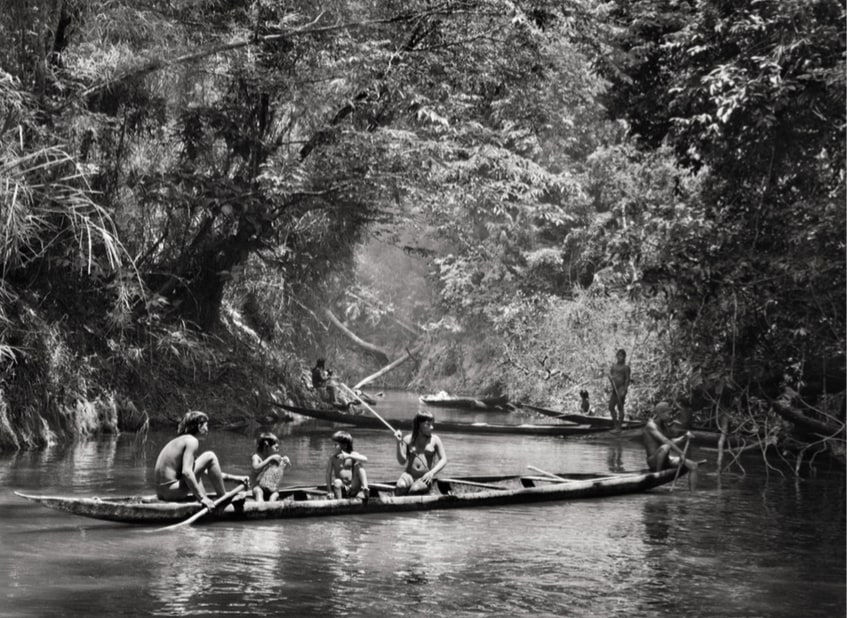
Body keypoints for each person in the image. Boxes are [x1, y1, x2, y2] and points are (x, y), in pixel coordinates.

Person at [154, 410, 249, 508]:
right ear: (199, 427)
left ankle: (203, 502)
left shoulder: (180, 440)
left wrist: (237, 479)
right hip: (173, 492)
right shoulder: (192, 441)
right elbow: (186, 472)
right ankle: (223, 497)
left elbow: (205, 472)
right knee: (210, 456)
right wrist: (202, 498)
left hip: (162, 493)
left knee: (196, 474)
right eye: (206, 426)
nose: (207, 429)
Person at [642, 402, 698, 488]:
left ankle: (692, 495)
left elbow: (671, 441)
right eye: (669, 413)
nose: (670, 416)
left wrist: (684, 437)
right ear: (661, 413)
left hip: (666, 459)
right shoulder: (651, 426)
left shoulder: (663, 426)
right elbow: (666, 441)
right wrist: (681, 453)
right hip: (653, 462)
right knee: (665, 447)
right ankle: (657, 476)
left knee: (693, 465)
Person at [393, 410, 447, 495]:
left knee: (415, 490)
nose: (432, 427)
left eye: (432, 424)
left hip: (424, 478)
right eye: (428, 424)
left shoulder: (435, 440)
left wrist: (431, 473)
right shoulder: (407, 439)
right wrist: (398, 443)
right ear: (419, 425)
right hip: (408, 475)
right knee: (400, 487)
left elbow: (443, 459)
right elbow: (402, 461)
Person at [325, 430, 370, 500]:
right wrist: (329, 491)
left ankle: (365, 488)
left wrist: (349, 456)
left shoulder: (352, 455)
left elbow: (365, 459)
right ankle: (339, 502)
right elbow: (328, 474)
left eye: (335, 444)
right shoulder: (332, 459)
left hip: (353, 486)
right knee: (337, 481)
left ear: (345, 445)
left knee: (359, 465)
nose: (333, 447)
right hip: (342, 488)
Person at [250, 432, 291, 502]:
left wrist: (287, 463)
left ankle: (271, 507)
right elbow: (255, 468)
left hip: (271, 488)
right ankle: (260, 507)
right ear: (266, 446)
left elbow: (286, 471)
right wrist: (270, 459)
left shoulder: (274, 457)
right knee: (258, 492)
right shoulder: (256, 457)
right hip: (257, 487)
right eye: (275, 446)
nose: (277, 446)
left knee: (275, 495)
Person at [608, 349, 632, 431]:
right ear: (616, 356)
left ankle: (619, 427)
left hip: (621, 388)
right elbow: (611, 378)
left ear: (624, 357)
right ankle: (616, 425)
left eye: (622, 356)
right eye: (619, 355)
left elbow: (627, 379)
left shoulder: (626, 368)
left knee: (620, 407)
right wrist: (610, 378)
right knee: (611, 407)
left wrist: (625, 390)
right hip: (615, 389)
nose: (620, 357)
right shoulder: (613, 367)